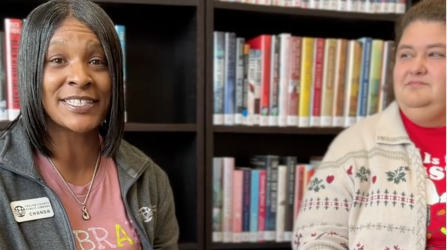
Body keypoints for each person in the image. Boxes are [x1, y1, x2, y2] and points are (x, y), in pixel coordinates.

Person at [0, 0, 179, 249]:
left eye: (97, 61)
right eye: (58, 59)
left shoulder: (149, 179)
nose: (81, 78)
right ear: (31, 73)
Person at [292, 0, 445, 249]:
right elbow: (316, 239)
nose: (416, 67)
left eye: (435, 54)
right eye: (406, 54)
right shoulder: (353, 146)